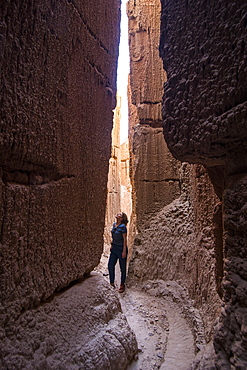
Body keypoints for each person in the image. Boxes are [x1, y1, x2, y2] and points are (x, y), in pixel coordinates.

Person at [108, 212, 128, 293]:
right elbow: (113, 236)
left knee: (122, 268)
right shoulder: (114, 225)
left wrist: (124, 251)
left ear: (122, 218)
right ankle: (112, 282)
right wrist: (112, 244)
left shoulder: (123, 227)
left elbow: (124, 239)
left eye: (119, 214)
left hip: (121, 249)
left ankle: (122, 284)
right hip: (115, 248)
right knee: (110, 265)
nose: (117, 214)